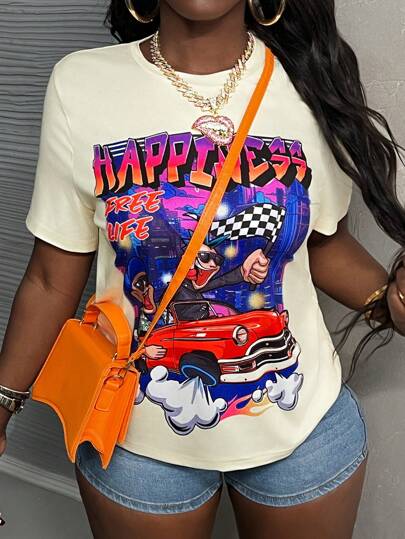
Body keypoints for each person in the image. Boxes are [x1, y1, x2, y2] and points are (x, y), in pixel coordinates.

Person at [0, 1, 404, 537]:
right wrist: (2, 403)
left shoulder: (311, 82)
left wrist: (389, 302)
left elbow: (324, 246)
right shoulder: (81, 83)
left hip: (305, 428)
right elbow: (51, 278)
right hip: (135, 439)